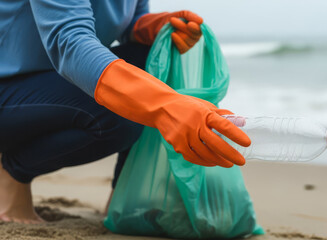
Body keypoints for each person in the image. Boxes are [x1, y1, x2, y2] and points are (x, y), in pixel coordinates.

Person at [0, 0, 251, 223]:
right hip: (8, 86)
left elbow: (128, 26)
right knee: (121, 111)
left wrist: (153, 27)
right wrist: (165, 106)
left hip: (52, 83)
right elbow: (70, 42)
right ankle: (12, 171)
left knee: (150, 57)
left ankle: (123, 195)